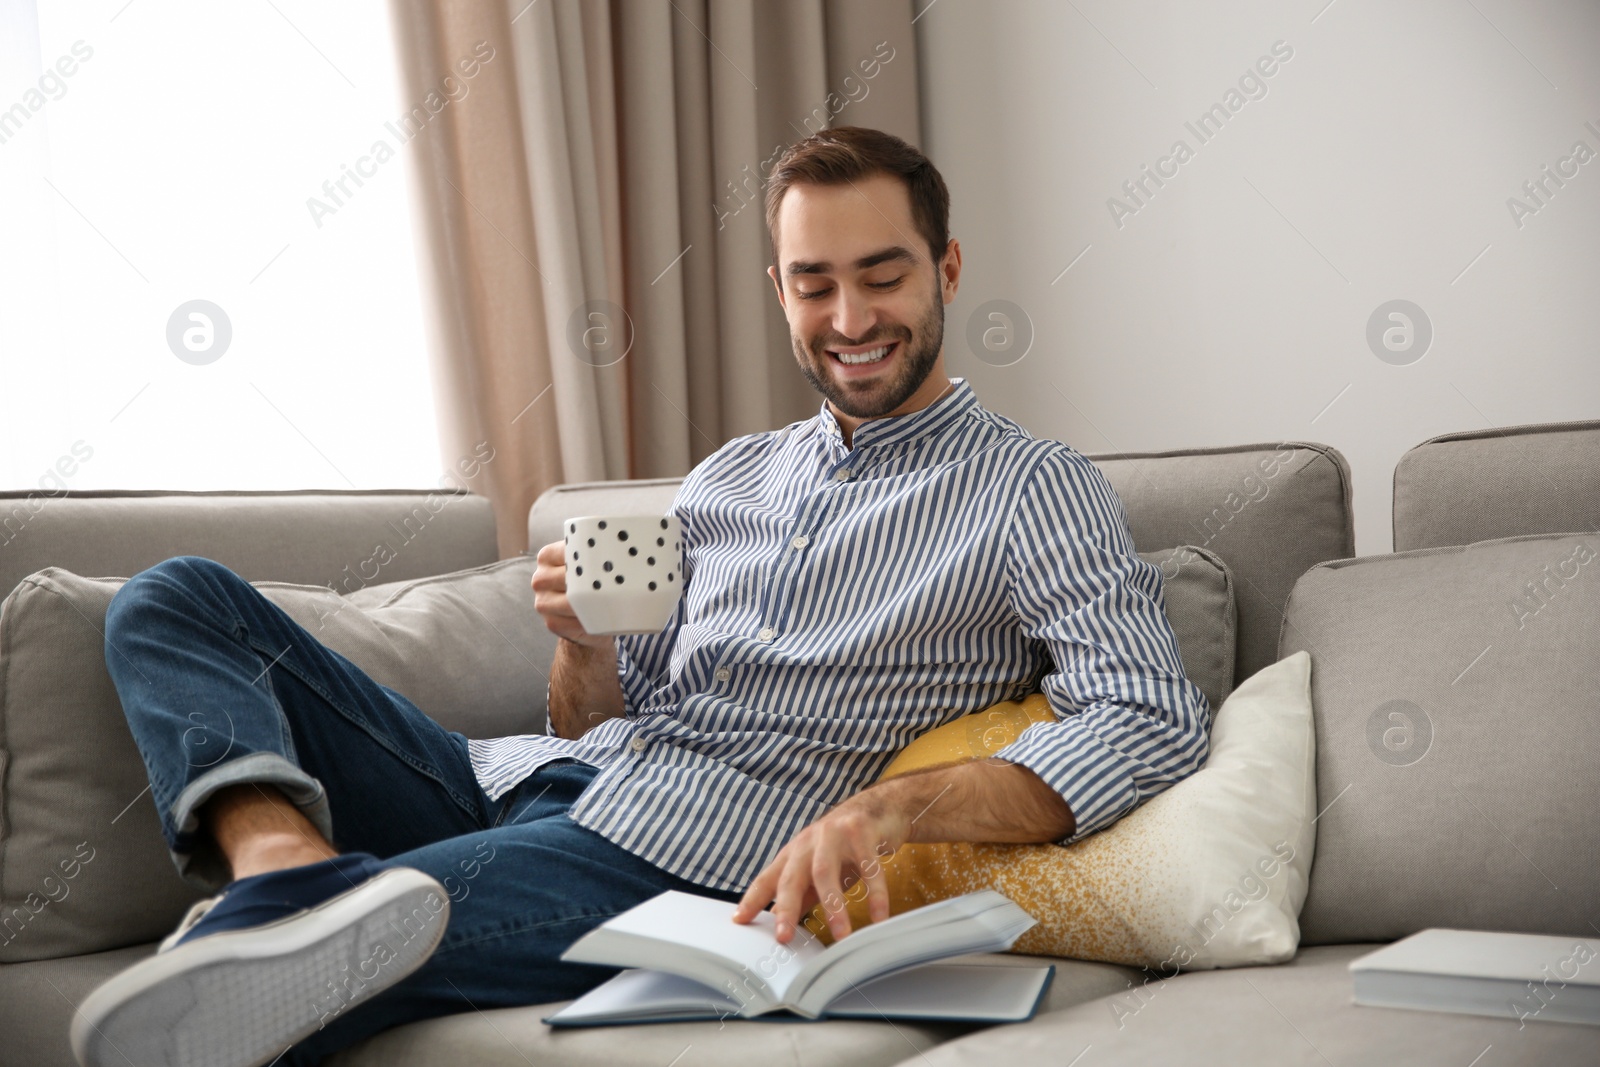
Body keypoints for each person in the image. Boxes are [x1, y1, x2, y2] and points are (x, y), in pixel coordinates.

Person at [72, 126, 1210, 1067]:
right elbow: (599, 722)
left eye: (884, 274)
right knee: (177, 599)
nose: (852, 318)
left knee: (338, 955)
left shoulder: (1031, 487)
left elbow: (1148, 712)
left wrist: (896, 807)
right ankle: (279, 863)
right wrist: (582, 644)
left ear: (946, 269)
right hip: (525, 780)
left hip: (687, 854)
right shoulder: (728, 477)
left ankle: (281, 928)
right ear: (779, 290)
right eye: (816, 283)